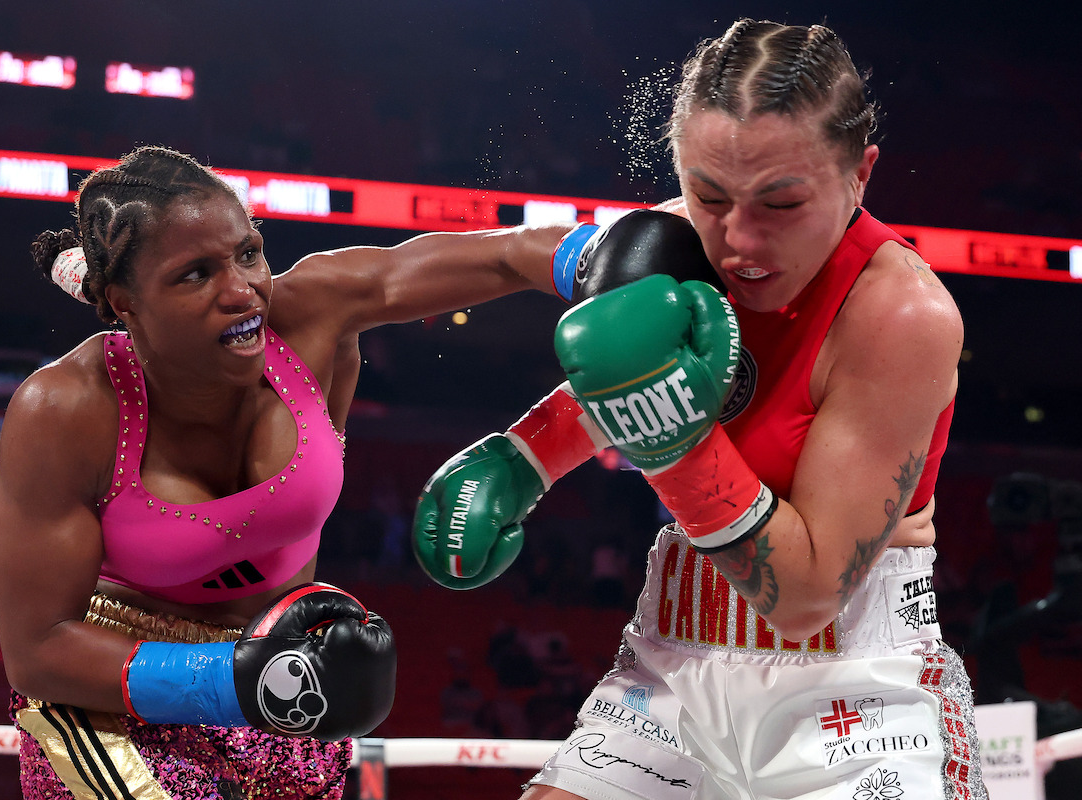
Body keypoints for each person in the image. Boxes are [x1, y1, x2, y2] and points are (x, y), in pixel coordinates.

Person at [413, 18, 988, 800]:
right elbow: (622, 365)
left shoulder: (902, 314)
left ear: (861, 176)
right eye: (709, 194)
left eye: (781, 203)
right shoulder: (675, 243)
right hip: (676, 667)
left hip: (857, 682)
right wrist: (523, 458)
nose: (739, 240)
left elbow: (810, 594)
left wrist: (672, 445)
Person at [0, 145, 571, 799]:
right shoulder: (67, 407)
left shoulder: (311, 317)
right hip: (111, 698)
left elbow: (504, 255)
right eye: (195, 275)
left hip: (286, 693)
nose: (242, 291)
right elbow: (36, 651)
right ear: (124, 303)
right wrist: (234, 678)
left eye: (248, 253)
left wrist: (594, 255)